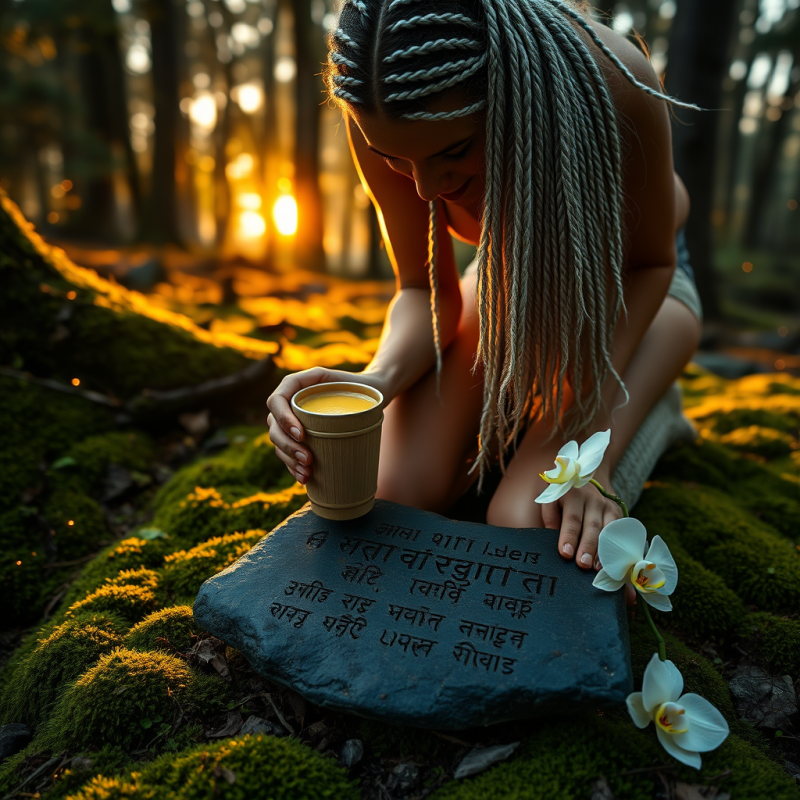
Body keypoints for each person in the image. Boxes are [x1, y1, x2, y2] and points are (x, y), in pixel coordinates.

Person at [266, 0, 703, 575]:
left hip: (632, 295)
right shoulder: (379, 103)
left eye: (452, 152)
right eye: (395, 159)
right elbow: (424, 292)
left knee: (526, 522)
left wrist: (590, 443)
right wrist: (376, 382)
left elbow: (649, 264)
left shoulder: (613, 82)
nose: (425, 189)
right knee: (387, 495)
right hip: (507, 286)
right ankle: (536, 395)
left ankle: (649, 410)